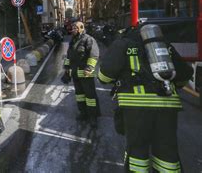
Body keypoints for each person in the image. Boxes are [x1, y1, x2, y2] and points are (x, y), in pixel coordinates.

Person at [97, 25, 193, 173]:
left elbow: (104, 76)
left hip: (135, 106)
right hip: (168, 105)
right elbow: (185, 75)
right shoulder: (163, 44)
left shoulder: (123, 43)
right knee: (167, 154)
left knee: (137, 153)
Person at [63, 21, 100, 127]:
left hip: (86, 74)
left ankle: (93, 117)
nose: (73, 30)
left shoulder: (88, 39)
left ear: (81, 28)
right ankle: (83, 113)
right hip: (75, 75)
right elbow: (69, 56)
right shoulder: (72, 41)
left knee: (90, 97)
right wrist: (66, 69)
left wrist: (89, 68)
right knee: (80, 96)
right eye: (72, 28)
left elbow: (94, 55)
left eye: (75, 28)